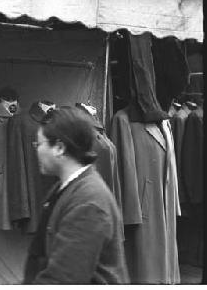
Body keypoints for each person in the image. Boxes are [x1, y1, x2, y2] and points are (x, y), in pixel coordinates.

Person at [23, 106, 129, 284]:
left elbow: (64, 280)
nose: (37, 150)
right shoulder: (66, 189)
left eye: (39, 144)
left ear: (59, 148)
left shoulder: (88, 202)